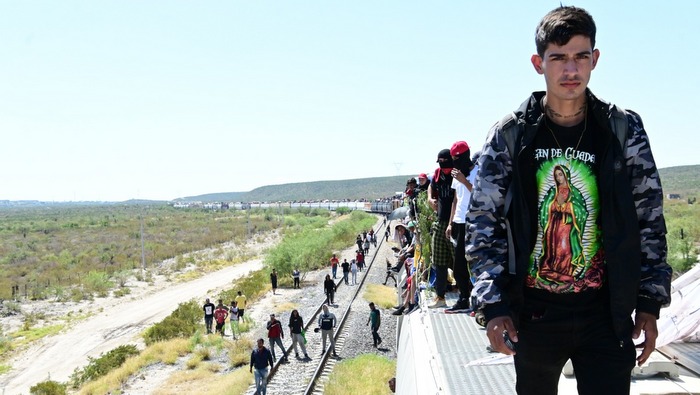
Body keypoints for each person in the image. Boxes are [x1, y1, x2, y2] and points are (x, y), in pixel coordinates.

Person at [466, 6, 672, 395]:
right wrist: (493, 307)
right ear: (538, 63)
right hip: (534, 313)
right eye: (558, 58)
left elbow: (649, 217)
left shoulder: (622, 130)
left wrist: (649, 302)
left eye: (580, 56)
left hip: (605, 313)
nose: (570, 70)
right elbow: (483, 223)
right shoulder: (512, 135)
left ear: (595, 59)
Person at [444, 140, 478, 314]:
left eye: (456, 158)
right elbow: (455, 200)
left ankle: (472, 298)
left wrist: (465, 181)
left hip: (472, 222)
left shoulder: (477, 172)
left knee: (473, 262)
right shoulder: (456, 175)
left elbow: (480, 195)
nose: (454, 163)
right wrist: (450, 222)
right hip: (458, 222)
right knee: (458, 264)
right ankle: (465, 297)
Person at [427, 148, 456, 309]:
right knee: (439, 261)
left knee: (459, 261)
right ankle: (440, 296)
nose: (444, 167)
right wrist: (430, 198)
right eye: (441, 164)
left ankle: (468, 295)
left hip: (456, 223)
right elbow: (431, 186)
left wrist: (452, 223)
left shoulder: (457, 174)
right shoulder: (438, 174)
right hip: (440, 221)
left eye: (446, 164)